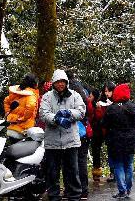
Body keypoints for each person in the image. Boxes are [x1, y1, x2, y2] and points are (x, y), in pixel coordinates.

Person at [39, 69, 86, 201]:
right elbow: (43, 113)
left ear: (66, 82)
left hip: (71, 141)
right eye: (58, 82)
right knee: (52, 172)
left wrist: (69, 114)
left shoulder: (75, 95)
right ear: (53, 83)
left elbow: (81, 111)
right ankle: (54, 196)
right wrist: (56, 119)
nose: (60, 84)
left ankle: (74, 195)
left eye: (63, 82)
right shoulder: (47, 97)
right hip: (52, 142)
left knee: (72, 171)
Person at [102, 83, 135, 199]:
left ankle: (122, 190)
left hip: (115, 141)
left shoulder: (111, 109)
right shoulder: (133, 107)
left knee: (118, 165)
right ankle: (128, 189)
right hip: (131, 140)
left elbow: (104, 124)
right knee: (129, 164)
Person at [68, 81, 93, 200]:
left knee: (72, 163)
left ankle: (73, 189)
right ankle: (84, 190)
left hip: (74, 133)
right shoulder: (86, 99)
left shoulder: (70, 99)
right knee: (81, 162)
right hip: (85, 133)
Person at [91, 82, 115, 183]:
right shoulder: (100, 102)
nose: (107, 93)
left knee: (112, 151)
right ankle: (97, 172)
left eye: (109, 91)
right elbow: (96, 117)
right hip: (99, 129)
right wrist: (99, 109)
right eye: (105, 91)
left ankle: (113, 172)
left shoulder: (117, 102)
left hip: (110, 130)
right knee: (96, 150)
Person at [4, 73, 40, 140]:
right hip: (23, 130)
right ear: (34, 83)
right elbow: (31, 105)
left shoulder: (17, 92)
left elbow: (6, 100)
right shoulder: (31, 94)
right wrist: (23, 118)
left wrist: (7, 112)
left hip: (11, 127)